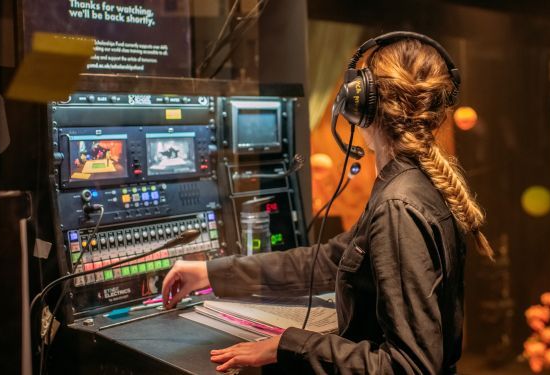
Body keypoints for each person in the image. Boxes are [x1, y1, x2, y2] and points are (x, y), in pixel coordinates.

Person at [162, 33, 493, 374]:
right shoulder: (411, 185)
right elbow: (326, 261)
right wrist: (211, 273)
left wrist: (288, 344)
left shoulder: (398, 205)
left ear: (361, 104)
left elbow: (409, 367)